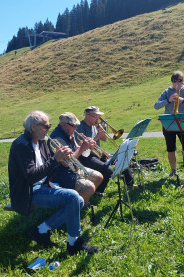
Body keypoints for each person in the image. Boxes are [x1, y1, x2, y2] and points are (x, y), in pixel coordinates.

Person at [8, 110, 98, 255]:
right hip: (28, 191)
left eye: (49, 126)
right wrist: (56, 159)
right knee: (73, 198)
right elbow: (31, 177)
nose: (48, 130)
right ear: (33, 127)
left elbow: (50, 167)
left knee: (79, 201)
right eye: (45, 127)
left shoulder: (42, 141)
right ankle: (74, 243)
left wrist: (63, 157)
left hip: (43, 185)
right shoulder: (21, 146)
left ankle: (41, 231)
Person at [76, 106, 137, 194]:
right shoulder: (80, 127)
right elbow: (80, 146)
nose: (97, 119)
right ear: (87, 116)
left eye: (98, 117)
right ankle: (98, 192)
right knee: (108, 170)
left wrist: (102, 132)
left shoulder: (94, 125)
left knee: (121, 156)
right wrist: (97, 136)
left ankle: (130, 184)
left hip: (98, 153)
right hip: (87, 157)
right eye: (95, 117)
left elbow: (104, 139)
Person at [49, 112, 103, 203]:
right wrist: (82, 148)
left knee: (99, 177)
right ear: (64, 125)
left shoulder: (69, 132)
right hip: (60, 173)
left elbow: (75, 150)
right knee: (90, 188)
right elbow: (66, 163)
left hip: (73, 168)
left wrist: (85, 146)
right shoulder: (57, 138)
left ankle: (85, 198)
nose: (76, 128)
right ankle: (80, 205)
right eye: (73, 126)